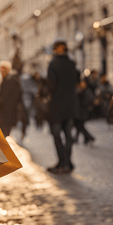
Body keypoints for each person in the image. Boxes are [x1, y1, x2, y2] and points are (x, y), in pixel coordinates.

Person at [46, 40, 80, 174]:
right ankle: (68, 163)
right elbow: (77, 81)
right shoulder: (72, 64)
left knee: (57, 135)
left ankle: (62, 163)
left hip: (57, 106)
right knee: (68, 135)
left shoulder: (53, 64)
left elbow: (51, 86)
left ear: (55, 50)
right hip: (71, 106)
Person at [0, 60, 24, 137]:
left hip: (8, 112)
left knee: (4, 133)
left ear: (8, 69)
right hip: (5, 111)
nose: (2, 70)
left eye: (4, 68)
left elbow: (12, 98)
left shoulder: (11, 80)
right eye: (1, 68)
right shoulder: (5, 79)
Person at [74, 79, 95, 145]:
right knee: (79, 126)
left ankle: (89, 137)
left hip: (83, 111)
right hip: (80, 111)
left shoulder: (86, 91)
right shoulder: (81, 90)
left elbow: (90, 100)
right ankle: (84, 139)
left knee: (80, 126)